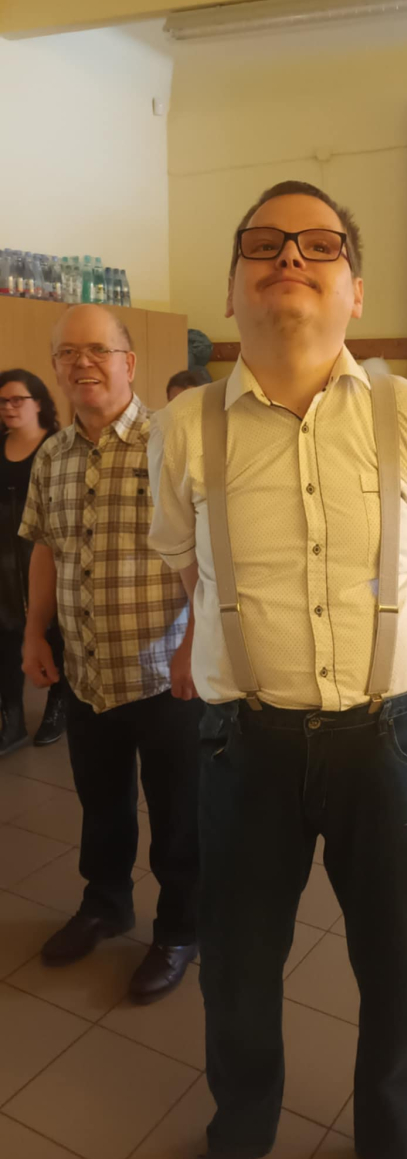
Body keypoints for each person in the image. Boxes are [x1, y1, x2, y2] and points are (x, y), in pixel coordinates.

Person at [149, 181, 407, 1159]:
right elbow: (192, 570)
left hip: (389, 740)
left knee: (402, 962)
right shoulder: (183, 429)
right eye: (263, 244)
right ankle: (240, 1133)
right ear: (232, 289)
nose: (289, 257)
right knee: (239, 962)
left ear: (356, 290)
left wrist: (385, 647)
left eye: (318, 244)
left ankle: (391, 1142)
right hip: (242, 742)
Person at [20, 305, 202, 1004]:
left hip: (166, 673)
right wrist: (35, 633)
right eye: (68, 352)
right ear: (56, 368)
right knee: (101, 806)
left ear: (129, 362)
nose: (82, 363)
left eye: (98, 349)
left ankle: (180, 929)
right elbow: (45, 548)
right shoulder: (52, 455)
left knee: (179, 815)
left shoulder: (172, 443)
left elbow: (211, 556)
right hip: (87, 670)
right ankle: (105, 905)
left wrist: (196, 644)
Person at [0, 369, 65, 756]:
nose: (8, 407)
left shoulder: (56, 447)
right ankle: (11, 717)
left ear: (38, 402)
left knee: (53, 629)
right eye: (2, 401)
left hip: (42, 552)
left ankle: (59, 703)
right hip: (3, 558)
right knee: (4, 635)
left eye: (17, 399)